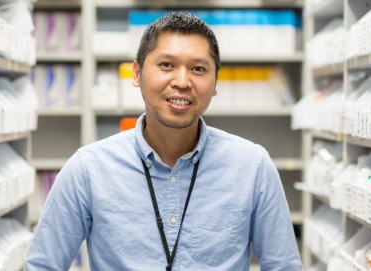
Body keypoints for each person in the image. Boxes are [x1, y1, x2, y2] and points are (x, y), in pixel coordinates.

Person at [24, 11, 302, 271]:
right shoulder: (88, 169)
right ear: (136, 73)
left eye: (198, 69)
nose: (182, 81)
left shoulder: (252, 167)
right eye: (166, 65)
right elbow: (43, 265)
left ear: (215, 82)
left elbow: (284, 266)